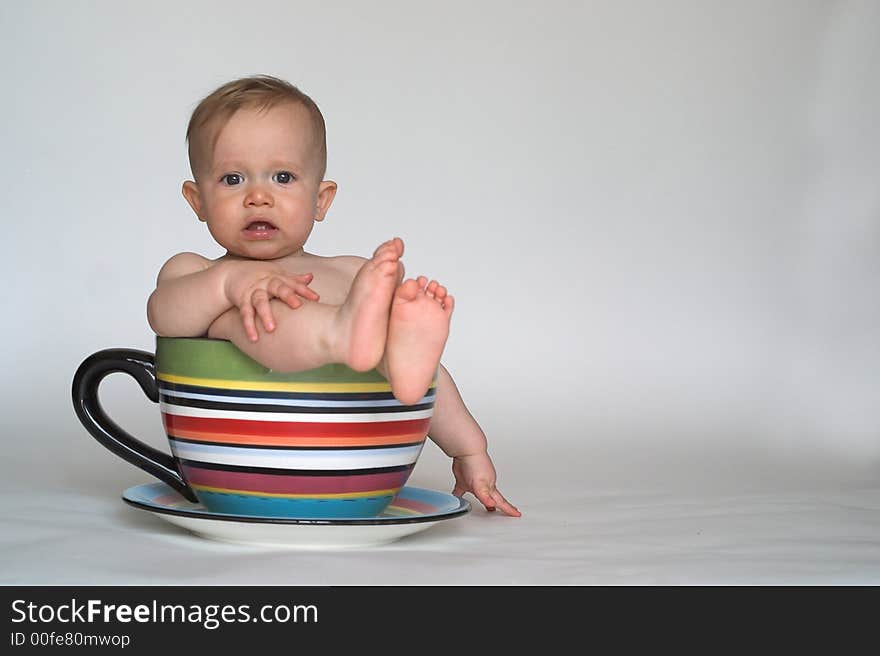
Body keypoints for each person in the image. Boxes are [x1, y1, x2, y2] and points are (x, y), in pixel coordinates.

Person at [147, 75, 520, 517]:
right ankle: (338, 335)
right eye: (232, 179)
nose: (258, 197)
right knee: (240, 316)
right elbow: (164, 315)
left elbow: (427, 371)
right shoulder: (198, 272)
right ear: (198, 201)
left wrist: (468, 449)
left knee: (400, 348)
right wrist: (231, 287)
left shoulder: (349, 275)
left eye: (282, 177)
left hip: (344, 447)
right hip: (260, 451)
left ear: (320, 200)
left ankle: (359, 341)